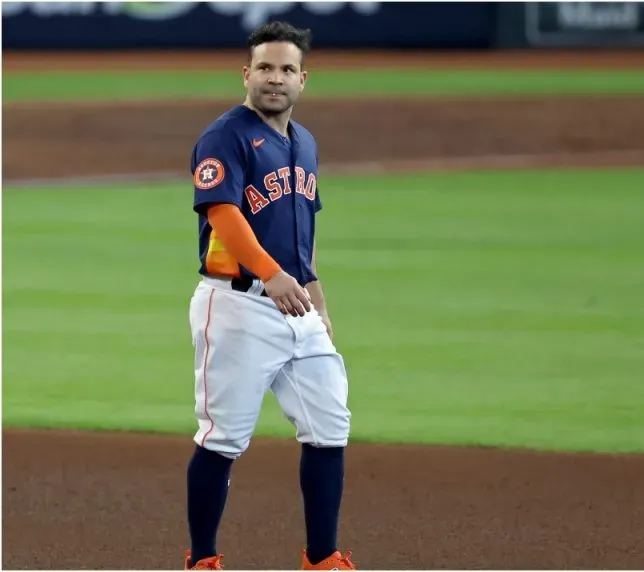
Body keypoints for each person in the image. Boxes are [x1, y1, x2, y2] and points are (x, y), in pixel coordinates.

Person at [183, 20, 354, 571]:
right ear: (246, 75)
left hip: (296, 305)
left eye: (285, 69)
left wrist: (316, 293)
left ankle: (322, 557)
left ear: (303, 79)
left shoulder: (304, 142)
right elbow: (223, 213)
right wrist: (271, 272)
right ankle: (203, 559)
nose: (274, 79)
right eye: (264, 68)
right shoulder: (224, 136)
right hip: (236, 305)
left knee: (329, 425)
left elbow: (304, 227)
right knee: (223, 438)